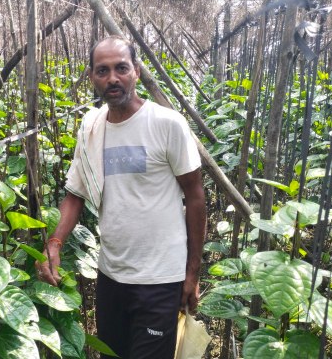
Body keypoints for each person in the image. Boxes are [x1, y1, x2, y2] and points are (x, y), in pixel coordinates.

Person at [35, 35, 207, 359]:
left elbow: (195, 197)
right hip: (111, 276)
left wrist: (192, 274)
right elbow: (75, 194)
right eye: (102, 71)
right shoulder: (90, 127)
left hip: (160, 279)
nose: (112, 78)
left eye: (121, 68)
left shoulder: (166, 124)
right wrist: (54, 243)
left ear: (136, 72)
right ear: (92, 78)